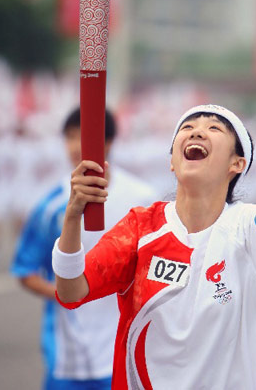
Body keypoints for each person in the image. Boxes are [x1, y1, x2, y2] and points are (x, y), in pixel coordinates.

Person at [53, 72, 256, 390]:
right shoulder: (140, 229)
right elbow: (72, 291)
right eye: (188, 128)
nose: (197, 132)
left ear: (237, 163)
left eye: (213, 128)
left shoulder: (249, 229)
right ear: (171, 161)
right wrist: (72, 218)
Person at [11, 108, 157, 390]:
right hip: (69, 355)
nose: (76, 145)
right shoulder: (51, 204)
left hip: (124, 349)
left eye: (85, 136)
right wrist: (69, 291)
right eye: (69, 137)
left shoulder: (142, 199)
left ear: (110, 141)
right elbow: (25, 269)